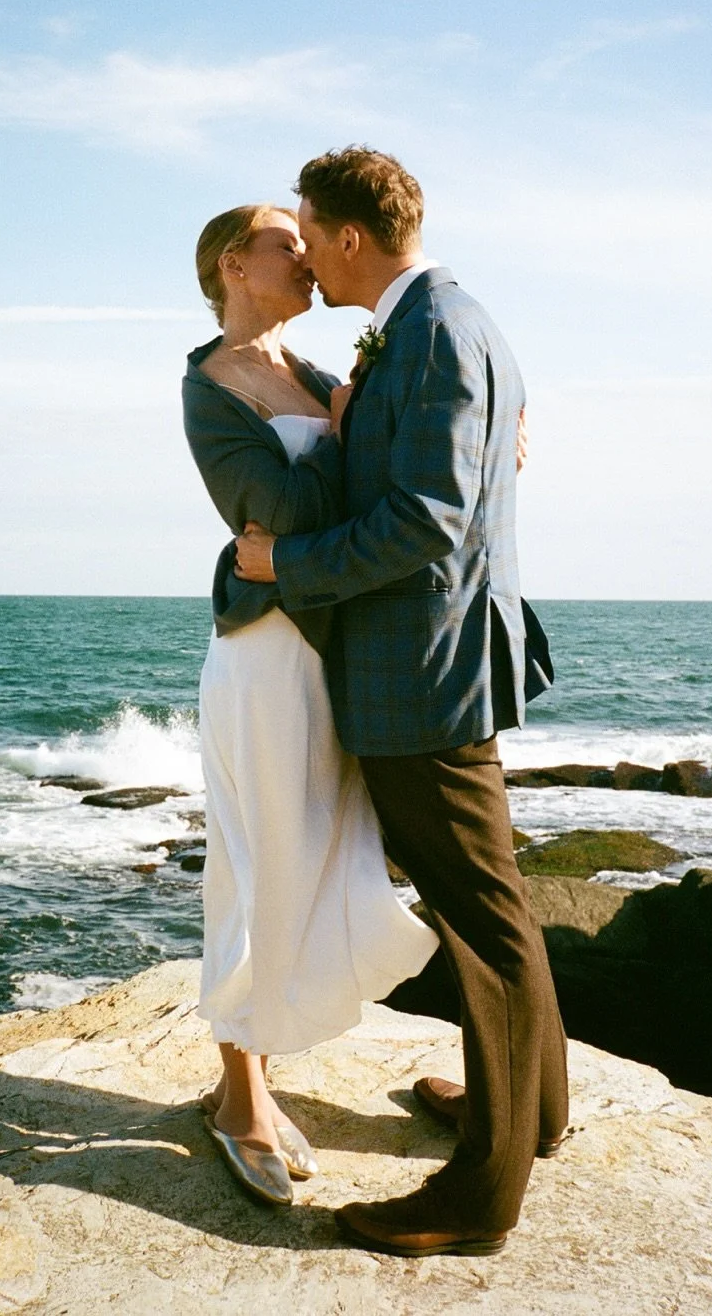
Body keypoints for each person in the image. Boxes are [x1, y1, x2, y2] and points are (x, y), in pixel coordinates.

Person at [235, 147, 570, 1256]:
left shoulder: (434, 331)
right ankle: (535, 1111)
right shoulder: (433, 326)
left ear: (345, 238)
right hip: (435, 659)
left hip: (423, 668)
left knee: (483, 922)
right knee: (497, 901)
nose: (309, 264)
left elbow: (425, 522)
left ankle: (480, 1200)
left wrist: (288, 562)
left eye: (310, 237)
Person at [182, 202, 440, 1207]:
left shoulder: (324, 378)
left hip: (328, 656)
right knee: (250, 863)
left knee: (309, 857)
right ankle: (238, 1091)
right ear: (232, 266)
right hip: (263, 657)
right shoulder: (211, 387)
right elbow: (280, 512)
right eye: (283, 242)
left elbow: (396, 465)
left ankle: (251, 1068)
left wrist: (492, 424)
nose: (306, 253)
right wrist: (336, 445)